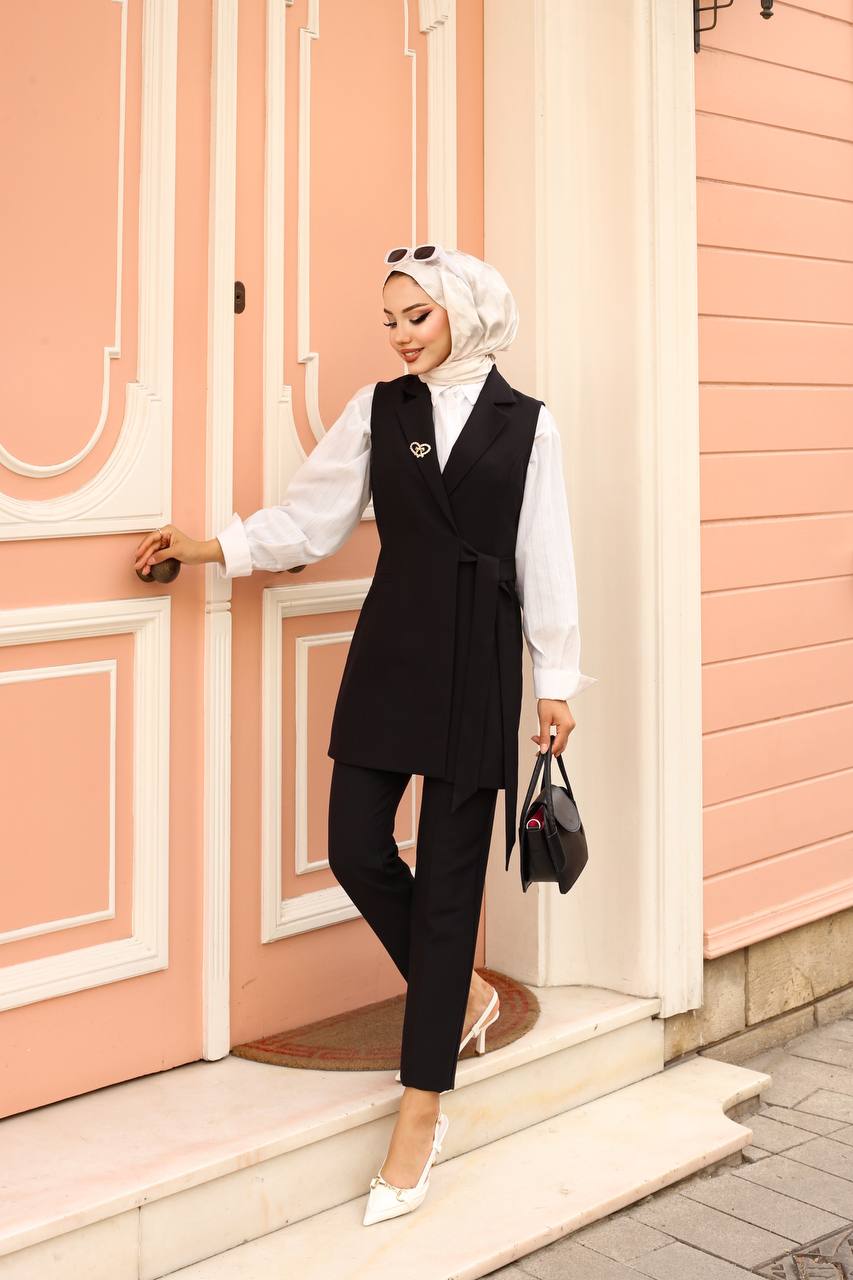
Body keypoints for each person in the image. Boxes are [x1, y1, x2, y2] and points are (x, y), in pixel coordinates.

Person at [133, 243, 597, 1226]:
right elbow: (311, 518)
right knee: (354, 843)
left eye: (414, 316)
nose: (397, 334)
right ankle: (459, 994)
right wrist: (212, 545)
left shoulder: (530, 425)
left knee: (451, 886)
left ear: (463, 315)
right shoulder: (378, 409)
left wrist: (556, 675)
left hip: (481, 655)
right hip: (392, 645)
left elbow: (542, 549)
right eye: (389, 317)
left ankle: (421, 1108)